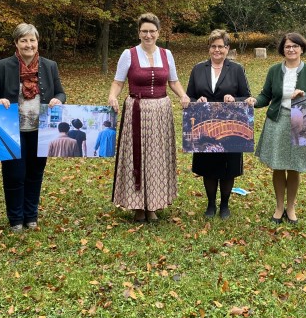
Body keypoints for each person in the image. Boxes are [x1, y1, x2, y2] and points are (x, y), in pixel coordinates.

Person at [108, 13, 190, 222]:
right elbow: (118, 82)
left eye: (152, 31)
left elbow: (173, 81)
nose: (148, 35)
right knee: (137, 155)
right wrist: (112, 96)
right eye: (144, 31)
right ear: (139, 33)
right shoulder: (129, 54)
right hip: (137, 110)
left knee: (156, 157)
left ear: (158, 33)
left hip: (161, 111)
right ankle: (138, 206)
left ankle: (153, 204)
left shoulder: (167, 54)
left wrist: (183, 95)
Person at [0, 23, 65, 232]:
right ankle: (15, 219)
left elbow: (61, 92)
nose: (28, 45)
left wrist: (58, 99)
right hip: (12, 131)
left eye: (32, 40)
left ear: (37, 42)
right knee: (14, 175)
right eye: (24, 40)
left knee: (35, 173)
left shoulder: (49, 66)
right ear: (16, 43)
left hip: (41, 130)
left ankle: (31, 216)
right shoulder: (3, 66)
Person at [252, 32, 306, 225]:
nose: (291, 49)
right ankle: (279, 206)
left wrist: (303, 95)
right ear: (282, 49)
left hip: (301, 122)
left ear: (302, 49)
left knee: (294, 166)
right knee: (278, 165)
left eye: (295, 46)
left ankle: (291, 207)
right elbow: (265, 95)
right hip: (278, 120)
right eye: (287, 46)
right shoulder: (274, 70)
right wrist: (254, 102)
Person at [186, 29, 252, 219]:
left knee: (228, 166)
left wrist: (235, 98)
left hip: (230, 125)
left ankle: (224, 205)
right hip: (204, 124)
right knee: (208, 165)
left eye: (221, 46)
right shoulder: (198, 69)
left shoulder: (237, 69)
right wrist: (195, 101)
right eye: (213, 46)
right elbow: (189, 96)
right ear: (209, 48)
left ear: (227, 48)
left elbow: (247, 96)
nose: (217, 50)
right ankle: (210, 205)